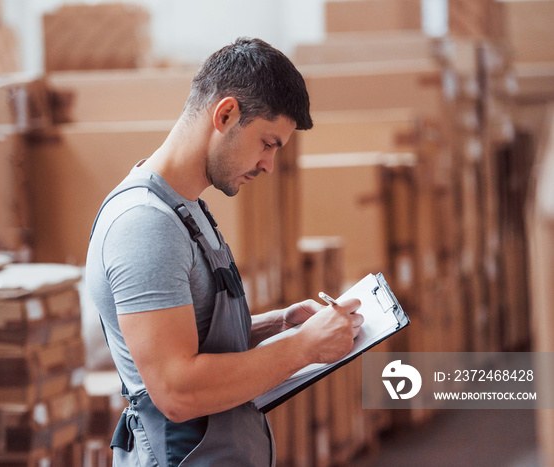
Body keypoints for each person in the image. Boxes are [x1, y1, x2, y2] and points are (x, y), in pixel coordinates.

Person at [85, 37, 363, 466]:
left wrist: (279, 325)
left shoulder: (186, 210)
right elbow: (177, 389)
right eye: (268, 143)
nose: (269, 165)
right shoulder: (145, 224)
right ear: (226, 114)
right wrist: (303, 347)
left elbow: (190, 337)